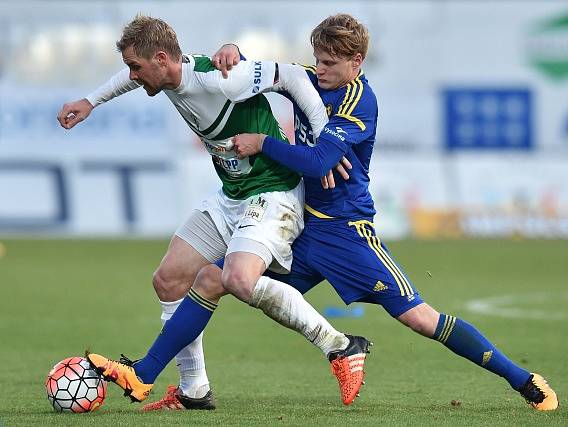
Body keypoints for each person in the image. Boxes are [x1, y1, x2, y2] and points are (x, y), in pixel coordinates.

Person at [124, 13, 558, 411]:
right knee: (211, 279)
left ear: (357, 61)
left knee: (421, 319)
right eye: (317, 60)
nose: (321, 70)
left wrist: (264, 144)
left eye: (330, 62)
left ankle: (521, 379)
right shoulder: (311, 81)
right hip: (301, 227)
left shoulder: (358, 103)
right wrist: (233, 50)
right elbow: (254, 75)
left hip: (346, 233)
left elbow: (316, 164)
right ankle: (151, 376)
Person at [57, 14, 371, 409]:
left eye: (136, 67)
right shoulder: (166, 74)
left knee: (235, 279)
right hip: (232, 195)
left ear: (160, 59)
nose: (133, 76)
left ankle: (340, 346)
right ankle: (194, 390)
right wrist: (91, 101)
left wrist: (326, 136)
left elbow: (290, 75)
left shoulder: (220, 78)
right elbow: (127, 79)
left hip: (272, 192)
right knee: (169, 279)